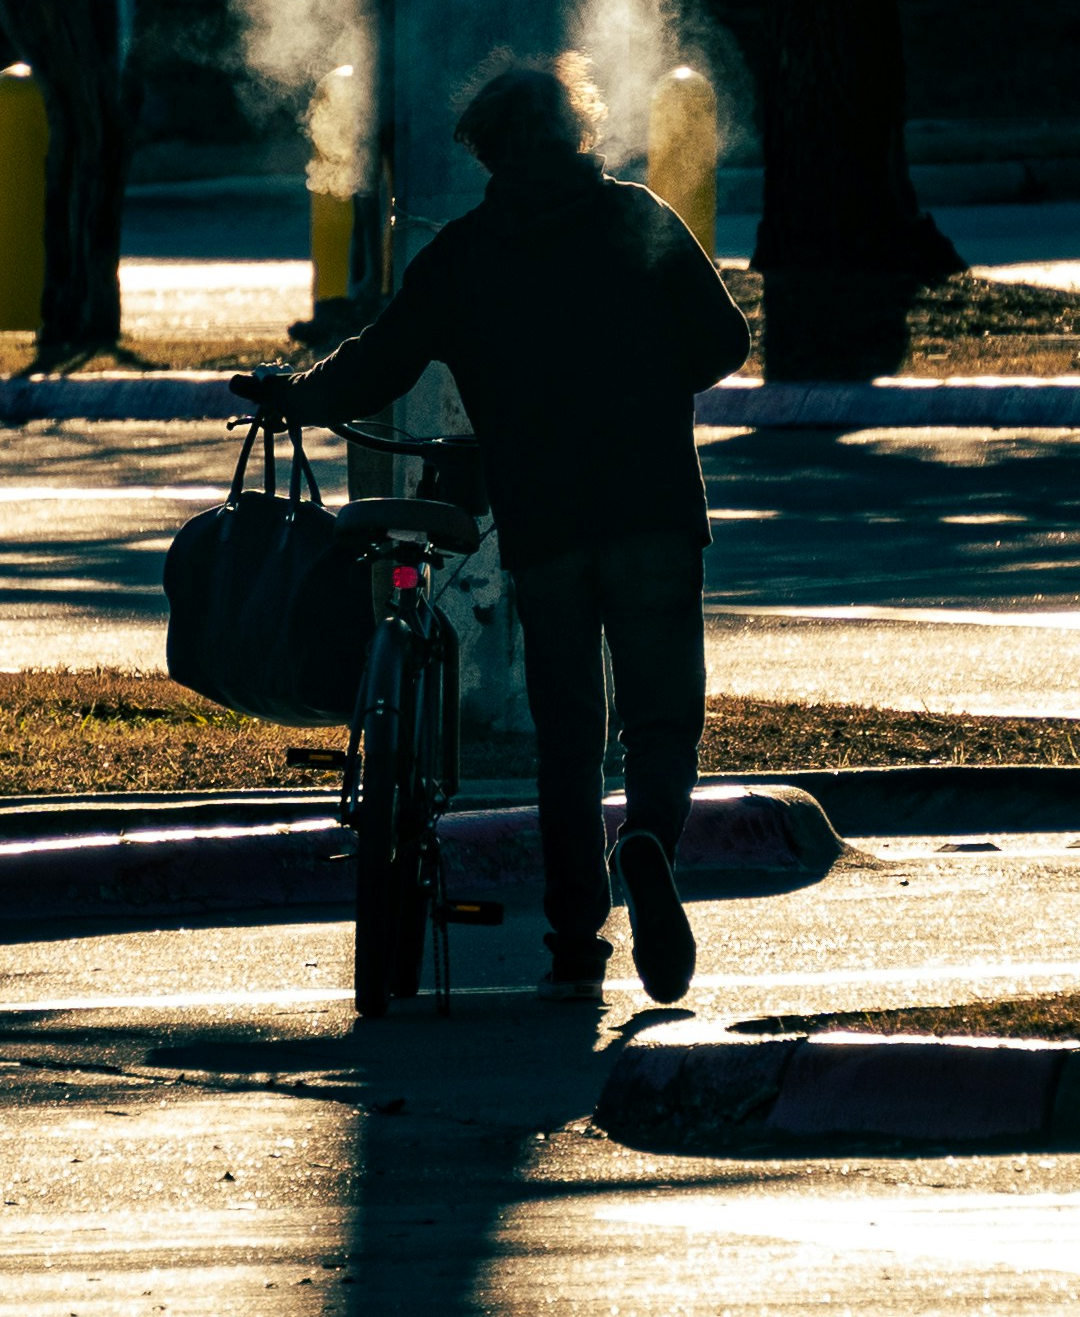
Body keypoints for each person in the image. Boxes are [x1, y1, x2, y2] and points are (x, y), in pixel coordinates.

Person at [235, 55, 746, 1002]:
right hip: (653, 514)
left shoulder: (464, 255)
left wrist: (293, 396)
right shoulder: (637, 216)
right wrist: (634, 388)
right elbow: (725, 342)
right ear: (577, 129)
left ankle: (574, 936)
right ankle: (646, 843)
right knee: (662, 720)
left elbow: (378, 362)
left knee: (566, 739)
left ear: (486, 154)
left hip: (546, 528)